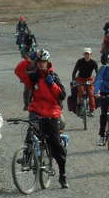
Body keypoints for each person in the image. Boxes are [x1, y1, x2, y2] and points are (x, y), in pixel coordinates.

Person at [14, 50, 69, 188]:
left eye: (43, 62)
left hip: (52, 112)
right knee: (31, 130)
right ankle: (27, 156)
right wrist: (28, 60)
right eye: (39, 62)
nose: (41, 64)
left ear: (47, 63)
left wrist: (52, 84)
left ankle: (62, 175)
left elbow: (62, 95)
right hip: (36, 109)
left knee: (56, 145)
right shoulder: (33, 77)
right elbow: (18, 71)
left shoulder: (53, 76)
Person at [71, 47, 99, 115]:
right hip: (80, 79)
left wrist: (95, 81)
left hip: (89, 79)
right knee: (81, 91)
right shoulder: (79, 61)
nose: (87, 55)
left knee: (91, 93)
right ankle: (80, 106)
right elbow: (74, 72)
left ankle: (92, 110)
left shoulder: (94, 63)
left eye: (88, 54)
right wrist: (74, 80)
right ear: (84, 54)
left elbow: (98, 74)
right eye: (85, 54)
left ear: (91, 54)